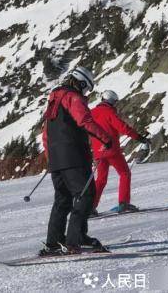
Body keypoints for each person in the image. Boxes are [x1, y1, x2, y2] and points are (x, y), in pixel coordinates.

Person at [40, 66, 115, 256]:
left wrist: (52, 159)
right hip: (73, 156)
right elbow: (85, 121)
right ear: (81, 82)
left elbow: (45, 135)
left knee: (62, 200)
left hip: (57, 161)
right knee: (86, 195)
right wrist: (105, 138)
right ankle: (75, 240)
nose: (85, 92)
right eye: (86, 88)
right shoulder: (73, 98)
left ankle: (54, 242)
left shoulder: (53, 100)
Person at [90, 90, 149, 213]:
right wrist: (139, 137)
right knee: (124, 173)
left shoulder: (92, 113)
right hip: (111, 149)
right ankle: (124, 203)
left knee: (101, 179)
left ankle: (90, 206)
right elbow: (122, 127)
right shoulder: (109, 112)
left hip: (98, 152)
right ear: (112, 101)